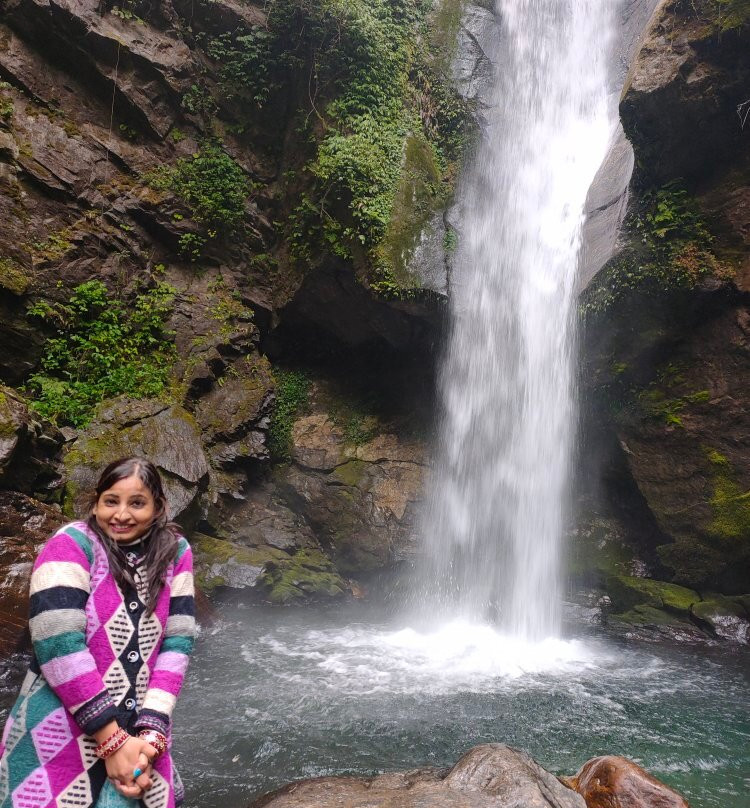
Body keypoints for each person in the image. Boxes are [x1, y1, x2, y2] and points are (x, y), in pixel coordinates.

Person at [0, 457, 196, 808]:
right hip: (58, 728)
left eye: (137, 503)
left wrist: (150, 733)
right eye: (111, 501)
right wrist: (112, 740)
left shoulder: (176, 552)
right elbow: (58, 643)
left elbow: (177, 642)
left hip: (141, 732)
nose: (121, 514)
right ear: (96, 502)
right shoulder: (71, 544)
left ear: (158, 508)